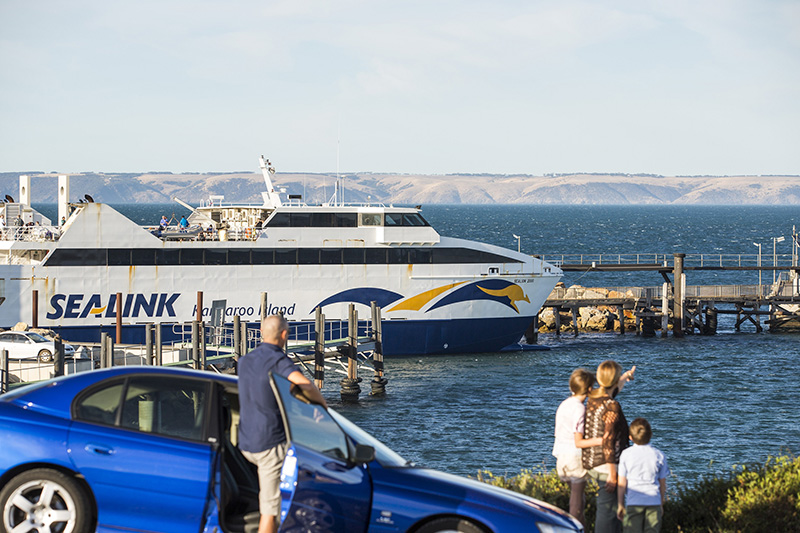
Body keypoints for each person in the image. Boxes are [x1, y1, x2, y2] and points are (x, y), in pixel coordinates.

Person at [238, 315, 327, 533]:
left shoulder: (245, 361)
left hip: (245, 442)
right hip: (268, 444)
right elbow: (304, 384)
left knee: (265, 498)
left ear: (261, 333)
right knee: (270, 510)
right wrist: (321, 407)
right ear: (284, 335)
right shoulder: (278, 360)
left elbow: (263, 392)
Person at [583, 360, 631, 533]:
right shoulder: (612, 406)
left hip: (591, 459)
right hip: (606, 463)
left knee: (610, 512)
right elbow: (608, 440)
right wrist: (612, 473)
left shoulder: (594, 399)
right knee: (608, 512)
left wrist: (625, 377)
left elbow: (614, 389)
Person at [552, 368, 603, 529]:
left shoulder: (564, 404)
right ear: (589, 389)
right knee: (575, 506)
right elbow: (578, 442)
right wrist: (601, 440)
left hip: (561, 456)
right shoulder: (580, 409)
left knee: (578, 501)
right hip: (574, 458)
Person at [617, 418, 669, 533]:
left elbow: (621, 482)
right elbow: (662, 483)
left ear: (630, 437)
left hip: (633, 501)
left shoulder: (626, 454)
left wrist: (620, 504)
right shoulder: (659, 455)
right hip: (653, 500)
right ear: (650, 434)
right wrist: (661, 502)